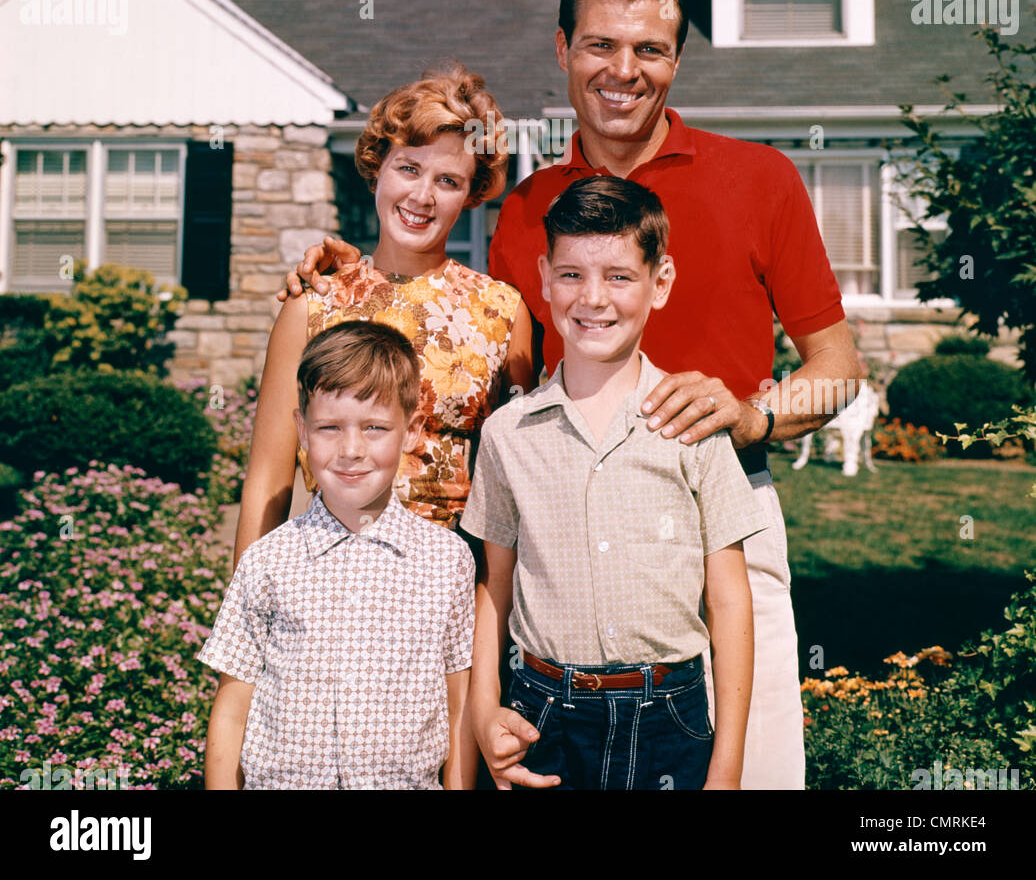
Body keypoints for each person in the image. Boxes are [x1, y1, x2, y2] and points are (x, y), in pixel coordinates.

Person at [283, 0, 862, 789]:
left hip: (724, 509)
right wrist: (349, 275)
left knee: (751, 770)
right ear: (563, 50)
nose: (623, 71)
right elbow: (469, 328)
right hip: (563, 527)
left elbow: (837, 365)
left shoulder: (759, 178)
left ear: (676, 59)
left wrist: (751, 415)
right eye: (600, 46)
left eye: (649, 50)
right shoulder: (527, 208)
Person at [462, 176, 765, 790]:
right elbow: (493, 586)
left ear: (661, 283)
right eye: (572, 274)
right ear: (545, 277)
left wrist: (728, 767)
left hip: (669, 720)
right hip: (541, 715)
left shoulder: (695, 426)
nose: (593, 298)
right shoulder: (507, 433)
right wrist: (482, 708)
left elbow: (730, 601)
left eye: (620, 277)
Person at [235, 64, 534, 565]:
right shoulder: (315, 303)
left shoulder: (501, 312)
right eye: (409, 169)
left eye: (447, 180)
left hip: (451, 581)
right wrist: (241, 616)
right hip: (329, 571)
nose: (422, 196)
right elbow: (268, 477)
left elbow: (515, 488)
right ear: (378, 167)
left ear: (471, 193)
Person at [200, 320, 477, 790]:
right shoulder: (267, 561)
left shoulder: (446, 561)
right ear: (302, 432)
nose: (351, 450)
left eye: (374, 428)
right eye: (329, 427)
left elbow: (458, 708)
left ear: (411, 431)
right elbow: (231, 712)